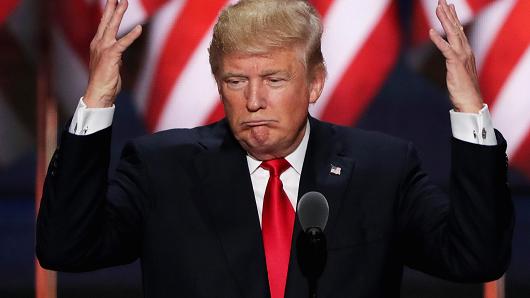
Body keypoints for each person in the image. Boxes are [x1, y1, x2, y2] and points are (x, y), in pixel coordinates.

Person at [36, 0, 513, 297]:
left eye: (274, 79)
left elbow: (476, 257)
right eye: (236, 80)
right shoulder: (162, 169)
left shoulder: (382, 169)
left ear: (315, 83)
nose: (254, 100)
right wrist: (96, 103)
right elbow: (67, 249)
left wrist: (471, 111)